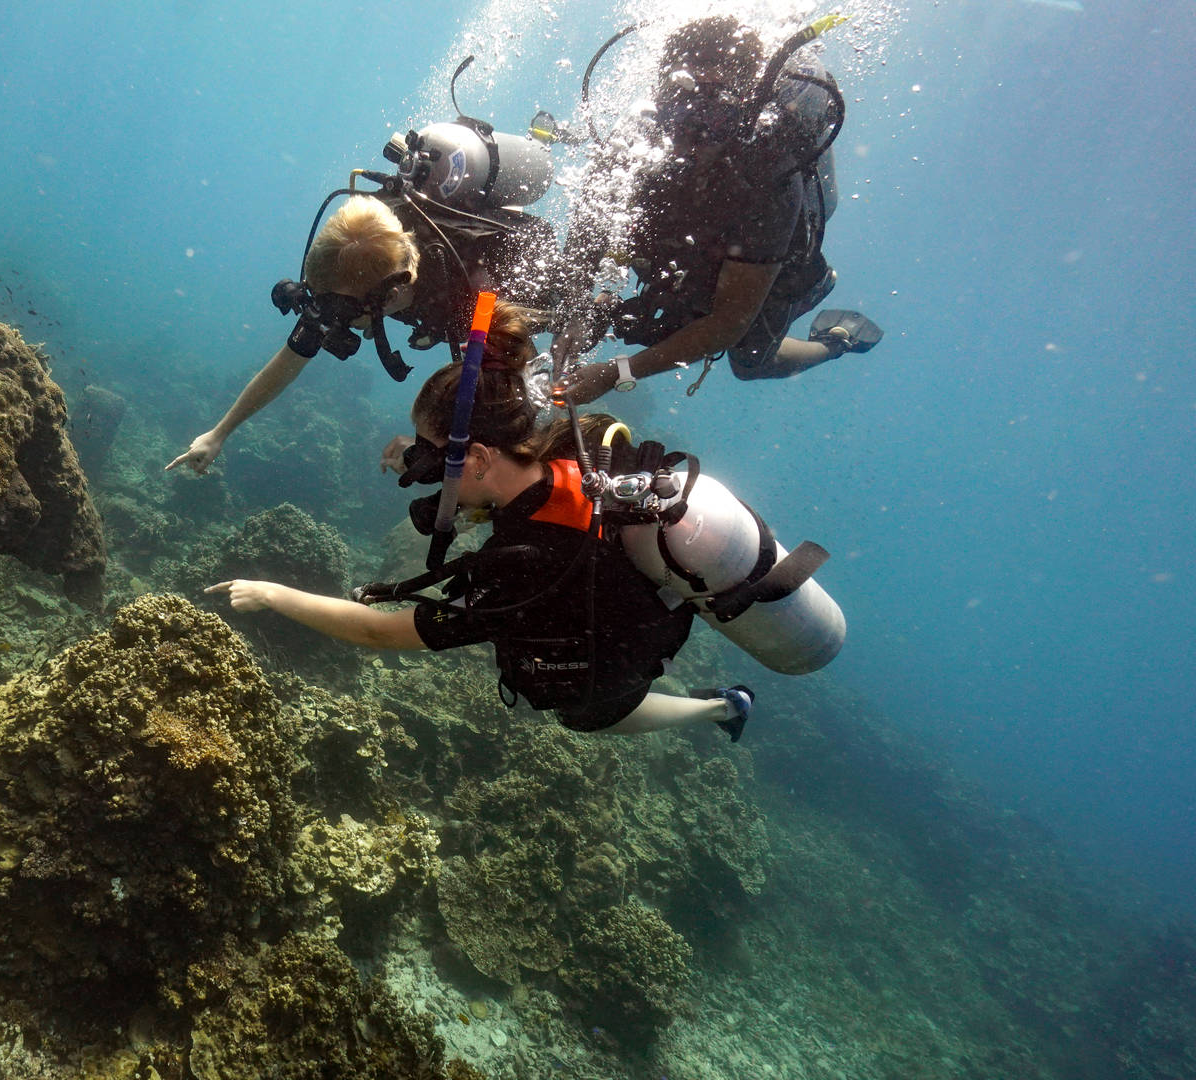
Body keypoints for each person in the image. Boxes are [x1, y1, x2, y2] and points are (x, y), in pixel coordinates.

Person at [206, 348, 755, 741]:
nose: (422, 464)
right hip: (651, 586)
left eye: (430, 450)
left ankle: (720, 710)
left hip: (620, 652)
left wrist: (273, 594)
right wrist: (425, 461)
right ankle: (723, 705)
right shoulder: (571, 448)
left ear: (479, 458)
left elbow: (379, 630)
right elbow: (507, 492)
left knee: (588, 713)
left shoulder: (520, 568)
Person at [552, 15, 882, 401]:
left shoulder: (769, 174)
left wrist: (617, 373)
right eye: (684, 106)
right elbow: (595, 243)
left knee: (750, 363)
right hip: (693, 251)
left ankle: (835, 343)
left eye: (716, 110)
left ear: (748, 106)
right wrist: (580, 311)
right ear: (661, 100)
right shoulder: (633, 145)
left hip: (766, 268)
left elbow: (728, 323)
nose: (696, 130)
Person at [167, 192, 557, 474]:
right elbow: (288, 363)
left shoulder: (475, 302)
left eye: (347, 313)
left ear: (393, 293)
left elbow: (523, 407)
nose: (337, 321)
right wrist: (219, 433)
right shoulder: (351, 275)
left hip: (540, 298)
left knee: (577, 332)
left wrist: (432, 455)